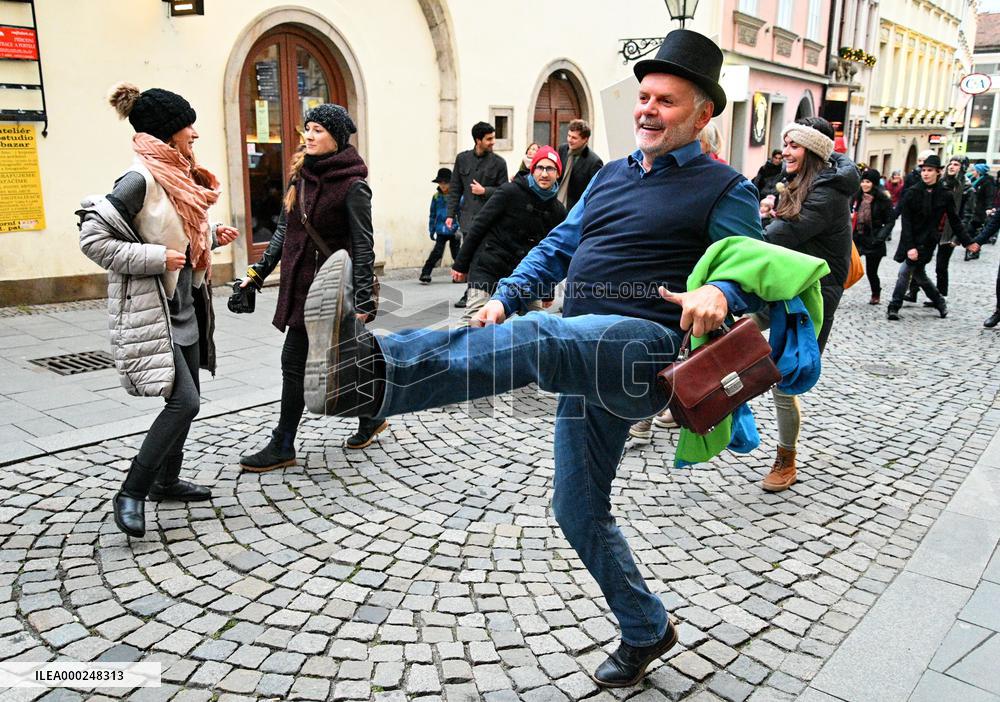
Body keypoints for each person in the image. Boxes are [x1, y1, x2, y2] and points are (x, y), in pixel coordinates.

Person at [301, 29, 771, 688]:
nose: (648, 109)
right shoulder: (609, 177)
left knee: (540, 340)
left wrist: (719, 291)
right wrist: (507, 297)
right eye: (644, 96)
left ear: (703, 114)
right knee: (577, 509)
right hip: (589, 351)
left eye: (666, 100)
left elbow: (753, 275)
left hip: (646, 352)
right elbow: (558, 244)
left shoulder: (725, 189)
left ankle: (369, 374)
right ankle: (646, 626)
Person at [78, 83, 239, 537]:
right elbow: (92, 239)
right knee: (184, 400)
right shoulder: (139, 179)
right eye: (189, 126)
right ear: (169, 133)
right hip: (156, 309)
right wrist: (153, 257)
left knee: (189, 401)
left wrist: (212, 233)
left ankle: (166, 481)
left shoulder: (178, 174)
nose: (196, 134)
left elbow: (180, 227)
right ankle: (131, 490)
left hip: (186, 302)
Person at [237, 103, 386, 470]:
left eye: (318, 129)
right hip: (299, 285)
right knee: (335, 362)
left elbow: (363, 245)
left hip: (330, 291)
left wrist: (363, 299)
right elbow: (286, 230)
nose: (309, 135)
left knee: (296, 362)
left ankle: (283, 443)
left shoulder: (353, 185)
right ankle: (371, 415)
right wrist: (257, 273)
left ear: (336, 137)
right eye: (308, 128)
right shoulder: (301, 175)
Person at [757, 117, 858, 492]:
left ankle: (786, 457)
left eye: (794, 145)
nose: (786, 151)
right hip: (784, 283)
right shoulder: (802, 182)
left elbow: (784, 236)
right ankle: (684, 405)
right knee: (729, 330)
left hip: (813, 296)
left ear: (813, 151)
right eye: (785, 143)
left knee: (786, 379)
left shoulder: (827, 193)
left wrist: (748, 233)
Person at [450, 146, 567, 322]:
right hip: (488, 266)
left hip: (525, 275)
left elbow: (551, 253)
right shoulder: (509, 191)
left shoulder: (558, 211)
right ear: (532, 169)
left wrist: (547, 291)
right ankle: (456, 349)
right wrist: (461, 265)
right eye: (540, 167)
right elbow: (479, 225)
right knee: (475, 320)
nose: (544, 174)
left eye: (550, 169)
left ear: (558, 173)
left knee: (538, 324)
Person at [887, 155, 979, 320]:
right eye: (924, 170)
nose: (926, 174)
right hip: (910, 240)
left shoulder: (945, 195)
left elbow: (955, 221)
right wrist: (910, 247)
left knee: (906, 272)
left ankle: (894, 306)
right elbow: (905, 222)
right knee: (918, 274)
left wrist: (968, 242)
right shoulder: (912, 193)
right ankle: (937, 301)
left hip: (928, 241)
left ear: (938, 172)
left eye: (930, 170)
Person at [446, 122, 509, 308]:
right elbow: (455, 189)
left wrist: (485, 191)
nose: (493, 142)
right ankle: (473, 292)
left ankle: (478, 291)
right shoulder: (462, 159)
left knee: (483, 256)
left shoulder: (499, 163)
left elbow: (505, 191)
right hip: (468, 219)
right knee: (472, 254)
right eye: (489, 139)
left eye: (493, 137)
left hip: (490, 220)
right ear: (478, 140)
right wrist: (450, 214)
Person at [851, 168, 894, 304]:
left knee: (871, 271)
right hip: (858, 237)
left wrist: (880, 237)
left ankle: (876, 293)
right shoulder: (856, 197)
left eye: (868, 182)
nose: (864, 184)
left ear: (874, 183)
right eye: (863, 181)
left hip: (874, 239)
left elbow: (889, 221)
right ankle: (838, 292)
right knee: (847, 267)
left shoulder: (883, 199)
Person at [419, 167, 460, 284]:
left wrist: (460, 229)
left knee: (457, 255)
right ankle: (425, 273)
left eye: (445, 183)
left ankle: (460, 275)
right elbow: (432, 214)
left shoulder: (457, 197)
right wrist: (431, 230)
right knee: (437, 252)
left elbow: (461, 213)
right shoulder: (436, 197)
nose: (443, 185)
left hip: (454, 230)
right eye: (440, 183)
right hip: (441, 230)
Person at [557, 119, 604, 210]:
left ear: (585, 139)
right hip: (556, 205)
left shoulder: (594, 162)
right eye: (569, 136)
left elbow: (595, 191)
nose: (569, 140)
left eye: (574, 138)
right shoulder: (562, 149)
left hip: (575, 210)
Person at [966, 163, 995, 261]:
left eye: (974, 170)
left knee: (975, 231)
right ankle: (971, 251)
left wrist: (989, 208)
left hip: (981, 211)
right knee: (970, 231)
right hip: (972, 210)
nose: (972, 172)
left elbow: (989, 196)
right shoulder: (973, 180)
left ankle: (974, 252)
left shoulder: (987, 182)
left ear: (979, 172)